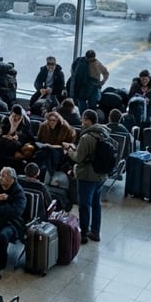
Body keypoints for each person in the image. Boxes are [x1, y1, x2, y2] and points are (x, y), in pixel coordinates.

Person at [65, 110, 110, 244]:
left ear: (89, 121)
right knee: (96, 204)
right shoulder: (104, 132)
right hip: (101, 174)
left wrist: (70, 151)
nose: (82, 122)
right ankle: (95, 231)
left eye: (83, 120)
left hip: (87, 175)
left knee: (84, 205)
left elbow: (79, 158)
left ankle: (83, 234)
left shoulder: (87, 137)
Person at [69, 50, 110, 114]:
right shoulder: (83, 62)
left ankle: (86, 116)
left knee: (88, 104)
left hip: (92, 87)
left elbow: (106, 73)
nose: (89, 60)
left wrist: (102, 82)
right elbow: (106, 74)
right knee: (84, 103)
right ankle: (85, 116)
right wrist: (102, 82)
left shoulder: (95, 64)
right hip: (85, 86)